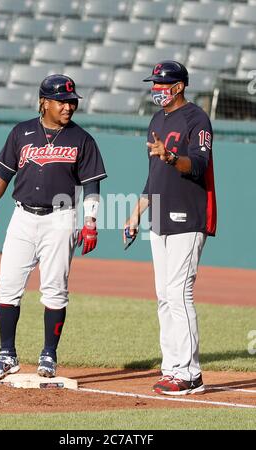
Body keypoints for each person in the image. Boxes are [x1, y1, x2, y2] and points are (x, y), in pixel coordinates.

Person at [0, 74, 107, 382]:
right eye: (62, 102)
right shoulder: (22, 132)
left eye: (71, 101)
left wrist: (91, 223)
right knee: (8, 283)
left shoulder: (82, 139)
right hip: (22, 216)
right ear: (43, 102)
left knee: (54, 288)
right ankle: (6, 354)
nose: (68, 107)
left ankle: (49, 353)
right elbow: (3, 173)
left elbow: (92, 186)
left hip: (62, 218)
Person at [124, 61, 217, 395]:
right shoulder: (156, 119)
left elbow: (199, 164)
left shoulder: (196, 118)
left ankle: (191, 373)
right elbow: (154, 176)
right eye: (155, 84)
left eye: (163, 84)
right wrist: (136, 213)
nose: (157, 89)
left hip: (187, 216)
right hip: (159, 216)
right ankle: (172, 367)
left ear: (179, 86)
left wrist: (170, 157)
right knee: (164, 296)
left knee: (179, 293)